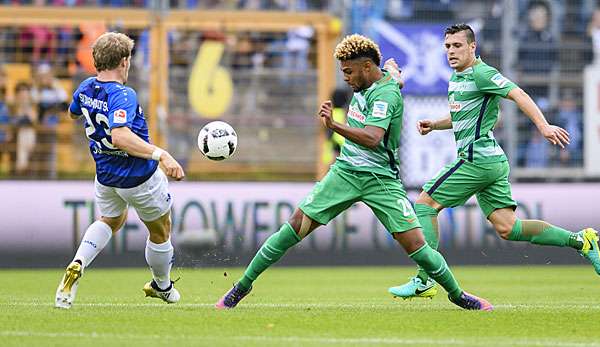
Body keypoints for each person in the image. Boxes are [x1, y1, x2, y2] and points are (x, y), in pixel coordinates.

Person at [216, 34, 493, 311]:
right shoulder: (375, 79)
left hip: (380, 180)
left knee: (417, 246)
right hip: (346, 172)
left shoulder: (385, 94)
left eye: (349, 72)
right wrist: (394, 73)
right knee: (294, 226)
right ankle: (242, 286)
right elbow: (391, 75)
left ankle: (457, 295)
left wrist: (333, 125)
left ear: (367, 67)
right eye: (343, 72)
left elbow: (373, 138)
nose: (346, 78)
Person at [385, 24, 600, 300]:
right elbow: (465, 116)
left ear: (472, 47)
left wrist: (543, 126)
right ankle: (582, 240)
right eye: (448, 46)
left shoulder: (482, 73)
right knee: (509, 228)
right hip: (492, 162)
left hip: (477, 160)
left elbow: (518, 94)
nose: (451, 51)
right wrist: (436, 124)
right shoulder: (458, 77)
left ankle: (424, 278)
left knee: (425, 204)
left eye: (458, 46)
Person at [55, 32, 185, 309]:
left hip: (105, 175)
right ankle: (162, 285)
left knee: (111, 221)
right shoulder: (124, 94)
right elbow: (120, 136)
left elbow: (73, 112)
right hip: (139, 177)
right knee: (161, 231)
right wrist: (161, 154)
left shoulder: (86, 87)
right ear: (124, 61)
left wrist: (91, 107)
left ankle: (78, 262)